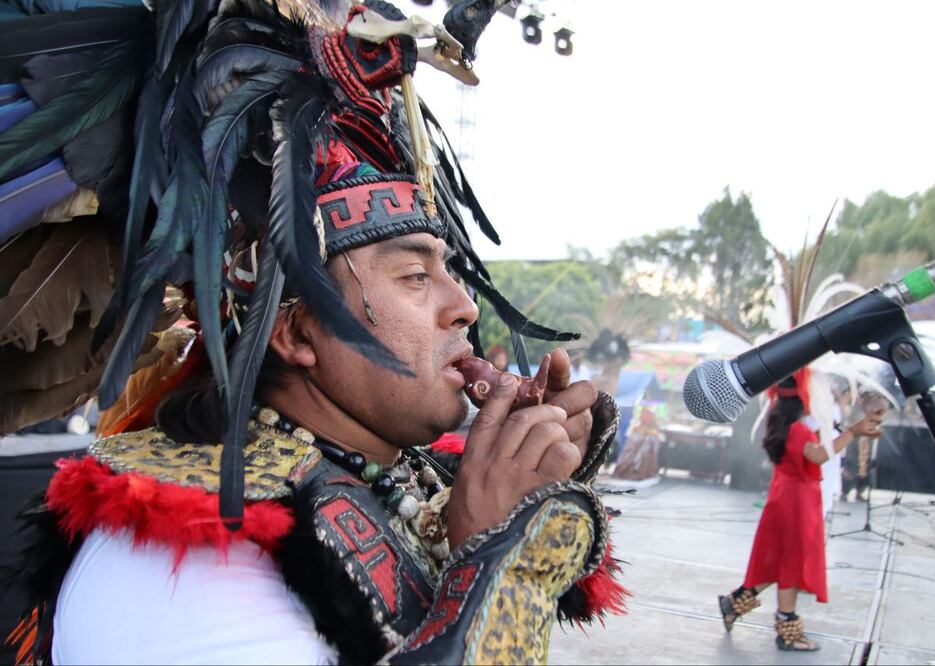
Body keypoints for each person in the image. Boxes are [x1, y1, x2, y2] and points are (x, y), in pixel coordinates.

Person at [1, 1, 625, 663]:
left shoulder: (402, 475)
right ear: (298, 330)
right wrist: (504, 563)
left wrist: (544, 483)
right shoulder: (180, 559)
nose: (464, 307)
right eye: (415, 276)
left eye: (450, 271)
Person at [717, 370, 883, 652]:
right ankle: (787, 630)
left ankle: (736, 602)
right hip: (796, 503)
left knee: (782, 561)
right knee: (792, 563)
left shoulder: (790, 425)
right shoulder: (797, 430)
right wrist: (853, 432)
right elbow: (818, 455)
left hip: (789, 497)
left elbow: (816, 449)